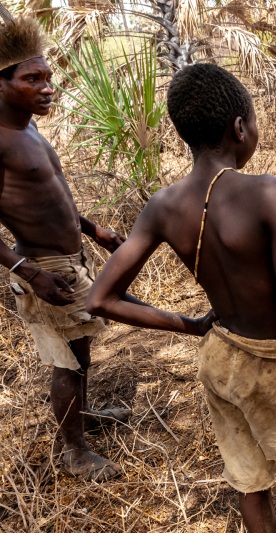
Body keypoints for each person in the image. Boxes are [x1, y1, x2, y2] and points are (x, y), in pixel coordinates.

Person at [86, 63, 276, 533]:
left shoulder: (163, 206)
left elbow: (100, 299)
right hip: (273, 365)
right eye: (253, 121)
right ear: (239, 126)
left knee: (250, 482)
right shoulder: (267, 192)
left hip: (219, 359)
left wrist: (189, 325)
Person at [0, 13, 128, 481]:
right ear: (2, 84)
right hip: (43, 267)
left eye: (48, 76)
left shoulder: (31, 131)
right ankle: (74, 453)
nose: (47, 86)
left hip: (69, 260)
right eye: (31, 78)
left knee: (79, 347)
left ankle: (84, 413)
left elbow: (54, 199)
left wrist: (94, 231)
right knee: (66, 360)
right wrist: (31, 274)